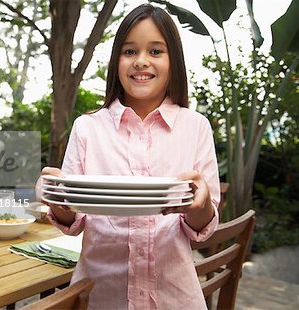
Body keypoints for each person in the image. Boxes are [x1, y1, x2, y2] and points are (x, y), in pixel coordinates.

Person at [40, 4, 220, 310]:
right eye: (129, 51)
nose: (141, 61)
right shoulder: (87, 128)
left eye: (155, 51)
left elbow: (202, 227)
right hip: (99, 296)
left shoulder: (196, 127)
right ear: (116, 61)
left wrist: (200, 203)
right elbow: (74, 220)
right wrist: (58, 199)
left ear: (173, 60)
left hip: (174, 297)